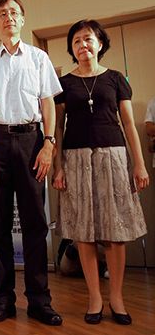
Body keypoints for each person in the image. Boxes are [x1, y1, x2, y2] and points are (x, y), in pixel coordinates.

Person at [52, 19, 149, 326]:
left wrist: (139, 163)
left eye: (88, 39)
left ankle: (116, 297)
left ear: (100, 43)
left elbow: (128, 124)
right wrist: (58, 166)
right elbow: (57, 128)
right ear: (72, 48)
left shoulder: (115, 79)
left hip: (114, 156)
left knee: (115, 232)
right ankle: (94, 297)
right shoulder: (64, 84)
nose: (83, 45)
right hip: (76, 158)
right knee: (84, 232)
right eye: (77, 41)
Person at [0, 0, 63, 326]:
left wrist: (49, 144)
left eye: (14, 12)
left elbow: (48, 103)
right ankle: (3, 299)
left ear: (22, 20)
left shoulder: (39, 58)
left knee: (35, 224)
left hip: (31, 141)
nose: (8, 17)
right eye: (2, 14)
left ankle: (40, 300)